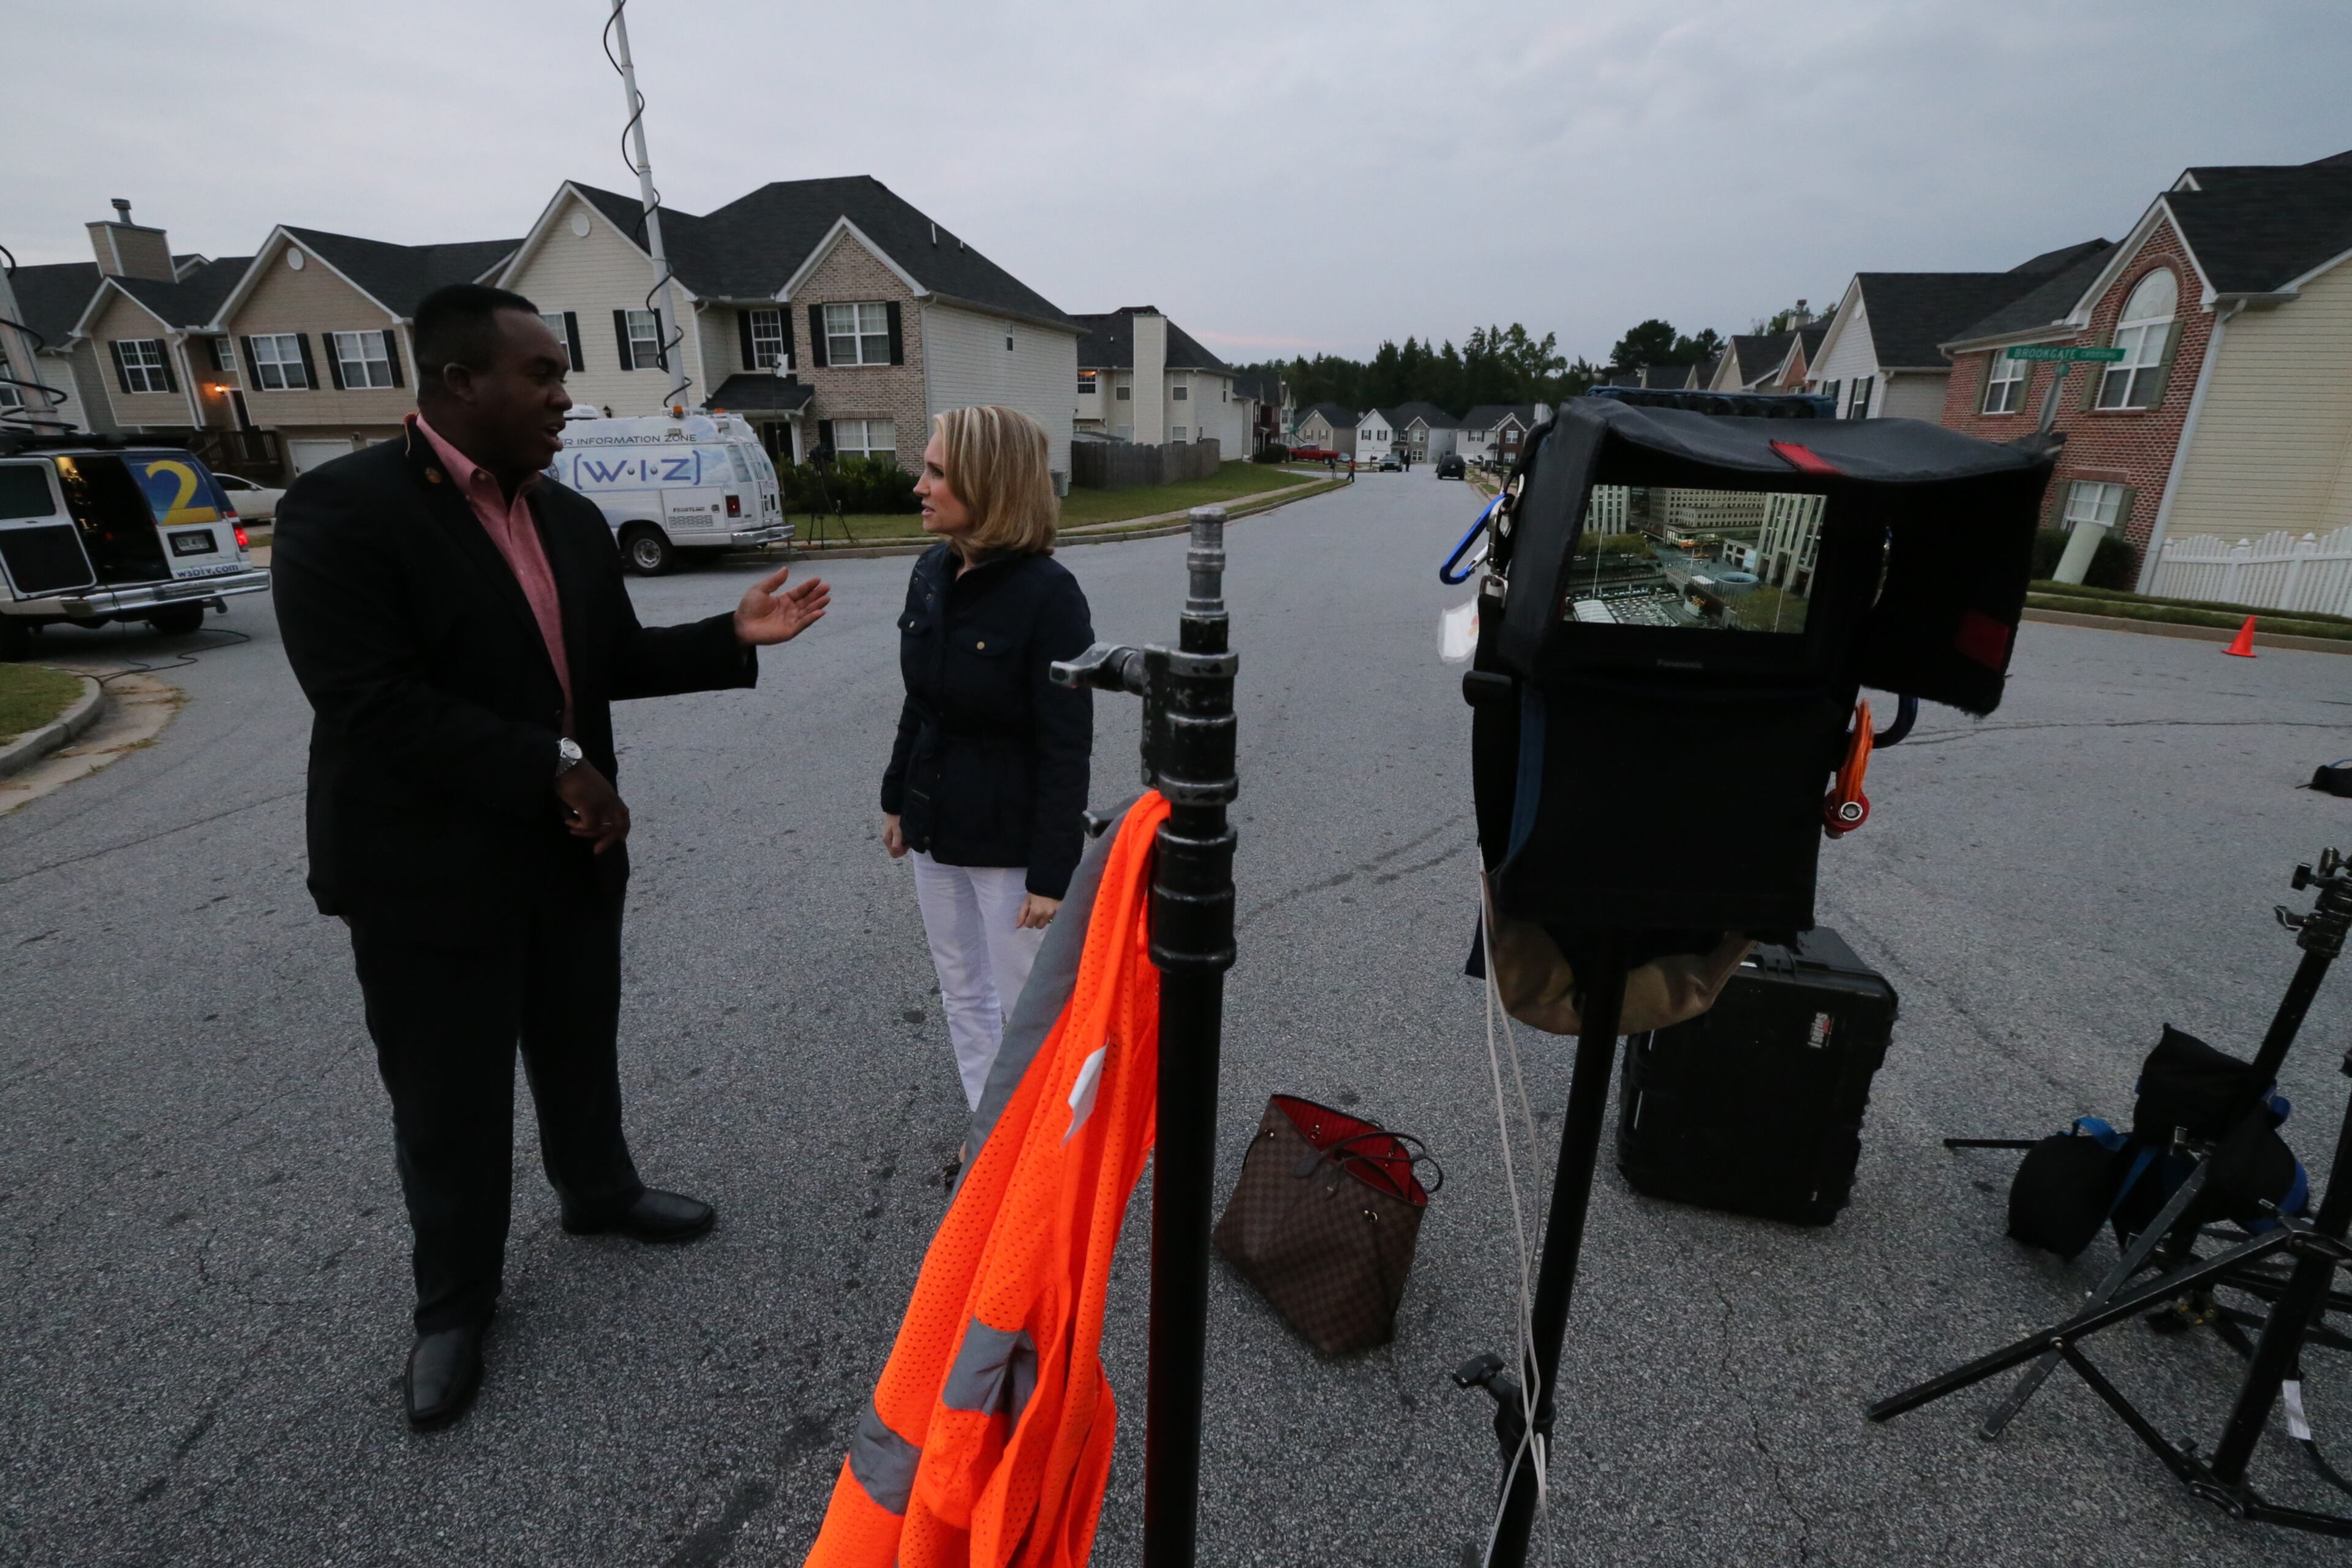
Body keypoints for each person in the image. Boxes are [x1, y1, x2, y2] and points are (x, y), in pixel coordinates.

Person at [272, 283, 830, 1431]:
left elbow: (603, 660)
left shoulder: (568, 517)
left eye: (561, 376)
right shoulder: (345, 508)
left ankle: (599, 1190)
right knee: (449, 1096)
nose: (563, 398)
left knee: (579, 1038)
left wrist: (730, 637)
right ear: (459, 381)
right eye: (540, 375)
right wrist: (553, 761)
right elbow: (367, 698)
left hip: (571, 854)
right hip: (428, 872)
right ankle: (455, 1305)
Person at [880, 406, 1093, 1115]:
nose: (920, 485)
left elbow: (1066, 743)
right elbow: (920, 702)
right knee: (961, 989)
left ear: (989, 483)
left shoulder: (1049, 595)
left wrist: (1052, 875)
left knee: (1027, 1004)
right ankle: (987, 1130)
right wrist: (895, 799)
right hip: (935, 827)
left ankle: (1045, 1145)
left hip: (1009, 846)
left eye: (937, 472)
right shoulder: (931, 571)